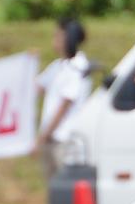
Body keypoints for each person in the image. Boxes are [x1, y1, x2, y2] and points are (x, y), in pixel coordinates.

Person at [35, 18, 93, 177]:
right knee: (53, 188)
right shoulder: (57, 66)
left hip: (65, 139)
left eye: (58, 36)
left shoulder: (78, 66)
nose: (54, 40)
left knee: (65, 187)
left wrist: (44, 135)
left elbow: (64, 106)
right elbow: (36, 87)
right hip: (51, 138)